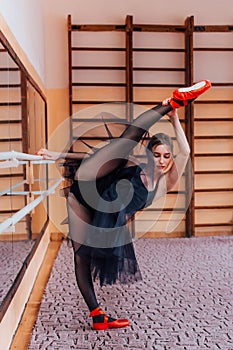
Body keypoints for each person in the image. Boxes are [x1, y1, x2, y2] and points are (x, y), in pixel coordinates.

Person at [38, 80, 211, 330]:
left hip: (105, 216)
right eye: (157, 154)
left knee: (84, 256)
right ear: (149, 154)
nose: (161, 161)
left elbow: (185, 152)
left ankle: (98, 317)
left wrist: (175, 121)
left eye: (166, 156)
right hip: (86, 194)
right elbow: (94, 159)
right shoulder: (134, 165)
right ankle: (173, 102)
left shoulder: (166, 183)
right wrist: (56, 156)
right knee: (124, 143)